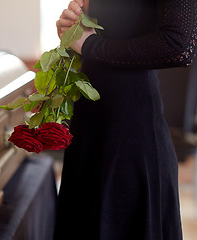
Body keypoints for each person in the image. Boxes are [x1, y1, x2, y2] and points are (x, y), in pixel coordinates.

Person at [54, 0, 197, 239]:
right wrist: (72, 28)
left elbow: (179, 45)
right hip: (88, 125)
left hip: (130, 129)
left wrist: (90, 45)